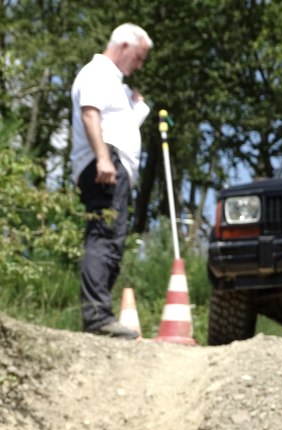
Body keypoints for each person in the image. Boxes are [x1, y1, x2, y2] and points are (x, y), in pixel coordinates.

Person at [70, 23, 153, 338]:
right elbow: (90, 113)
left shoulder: (113, 82)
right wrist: (104, 158)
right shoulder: (98, 73)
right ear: (123, 46)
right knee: (103, 237)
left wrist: (138, 107)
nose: (139, 65)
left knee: (112, 240)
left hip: (112, 164)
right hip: (104, 163)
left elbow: (119, 124)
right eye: (139, 57)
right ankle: (97, 318)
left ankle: (98, 317)